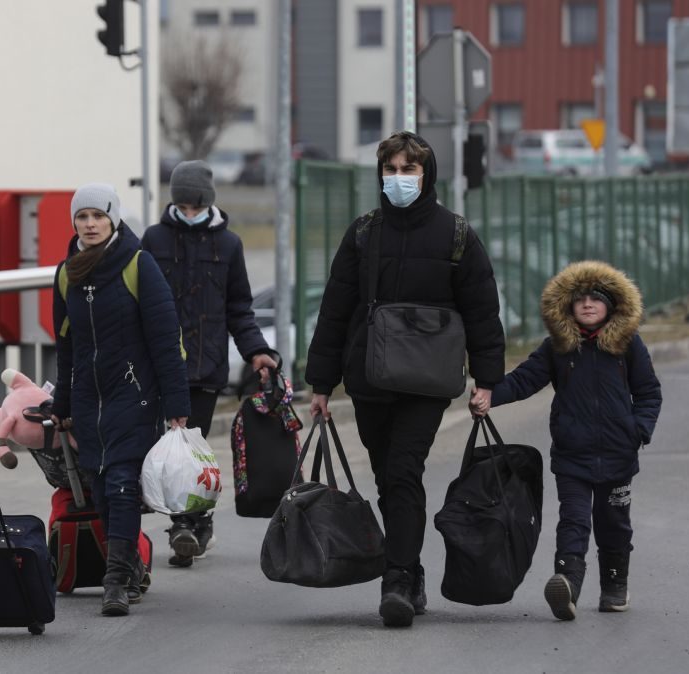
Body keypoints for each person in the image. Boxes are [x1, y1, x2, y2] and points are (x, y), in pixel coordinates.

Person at [305, 131, 505, 628]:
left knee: (403, 472)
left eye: (408, 170)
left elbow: (482, 310)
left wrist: (487, 378)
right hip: (371, 377)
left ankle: (395, 578)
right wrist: (321, 384)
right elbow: (335, 311)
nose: (398, 179)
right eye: (390, 170)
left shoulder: (457, 235)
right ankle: (410, 568)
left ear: (426, 174)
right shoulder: (364, 232)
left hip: (427, 381)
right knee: (386, 477)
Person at [470, 260, 662, 621]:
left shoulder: (628, 346)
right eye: (580, 300)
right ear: (568, 307)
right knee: (573, 520)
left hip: (619, 455)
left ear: (612, 305)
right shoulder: (557, 348)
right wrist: (490, 396)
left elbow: (649, 393)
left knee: (613, 523)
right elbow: (524, 380)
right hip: (572, 454)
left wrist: (638, 430)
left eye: (596, 298)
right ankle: (567, 583)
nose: (588, 304)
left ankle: (614, 584)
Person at [49, 183, 191, 616]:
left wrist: (176, 406)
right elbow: (66, 346)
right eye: (82, 217)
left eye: (98, 216)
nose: (90, 224)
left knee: (123, 483)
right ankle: (129, 567)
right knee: (102, 488)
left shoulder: (137, 264)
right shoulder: (66, 272)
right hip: (92, 399)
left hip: (135, 393)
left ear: (113, 218)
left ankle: (114, 583)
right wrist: (65, 405)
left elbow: (167, 339)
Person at [142, 159, 278, 568]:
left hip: (205, 365)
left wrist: (256, 351)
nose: (188, 213)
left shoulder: (229, 245)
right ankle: (189, 522)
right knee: (164, 449)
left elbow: (239, 307)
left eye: (194, 205)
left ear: (208, 202)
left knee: (192, 449)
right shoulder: (154, 239)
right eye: (182, 206)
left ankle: (191, 524)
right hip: (159, 365)